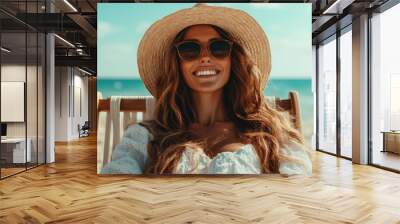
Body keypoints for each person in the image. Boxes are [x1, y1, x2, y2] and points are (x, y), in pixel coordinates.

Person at [101, 3, 312, 175]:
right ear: (177, 64)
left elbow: (297, 189)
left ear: (233, 60)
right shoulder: (145, 137)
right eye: (189, 49)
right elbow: (118, 181)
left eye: (218, 47)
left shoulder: (271, 132)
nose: (205, 57)